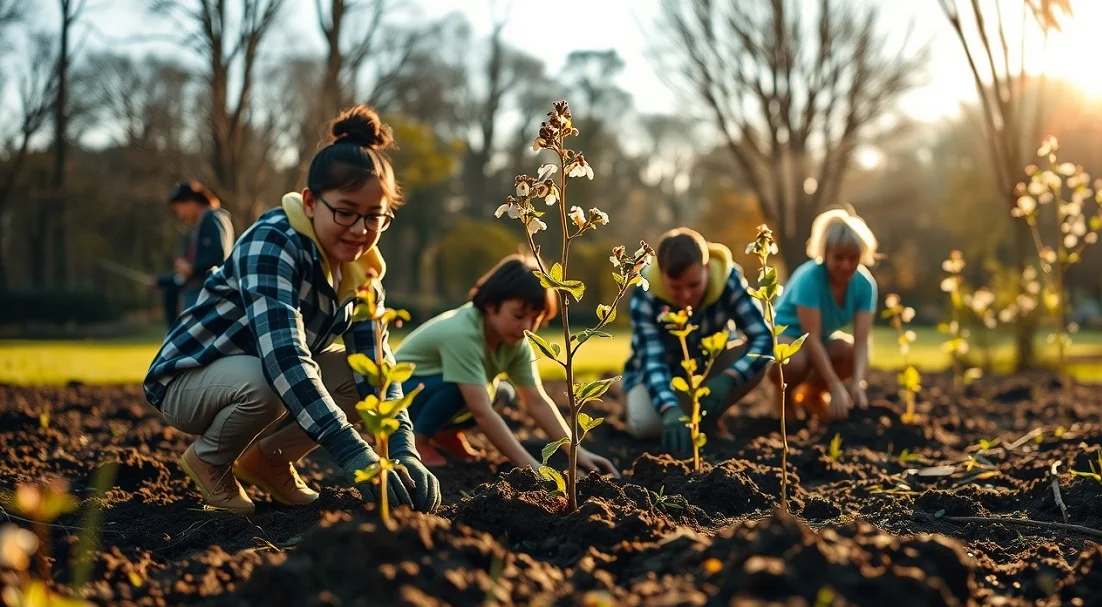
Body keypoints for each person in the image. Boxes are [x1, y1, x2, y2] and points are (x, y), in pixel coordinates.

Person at [142, 105, 439, 515]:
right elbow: (285, 357)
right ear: (311, 201)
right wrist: (354, 453)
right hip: (191, 377)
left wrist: (403, 447)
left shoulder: (362, 265)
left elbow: (375, 363)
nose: (360, 231)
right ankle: (209, 457)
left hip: (261, 374)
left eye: (375, 218)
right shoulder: (273, 241)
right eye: (345, 212)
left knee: (359, 375)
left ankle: (269, 459)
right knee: (267, 379)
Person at [393, 255, 619, 476]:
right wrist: (532, 467)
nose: (527, 326)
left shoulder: (516, 342)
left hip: (432, 392)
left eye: (536, 318)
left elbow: (537, 401)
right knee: (462, 389)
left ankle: (445, 433)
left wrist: (578, 453)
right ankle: (416, 440)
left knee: (502, 393)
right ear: (491, 305)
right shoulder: (462, 333)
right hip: (399, 396)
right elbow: (481, 412)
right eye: (519, 315)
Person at [622, 227, 773, 454]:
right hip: (659, 375)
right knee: (645, 425)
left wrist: (729, 379)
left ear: (707, 268)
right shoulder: (646, 291)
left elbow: (763, 337)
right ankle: (674, 415)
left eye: (693, 285)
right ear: (661, 274)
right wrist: (669, 408)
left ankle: (709, 419)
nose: (686, 296)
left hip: (710, 370)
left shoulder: (728, 280)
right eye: (676, 287)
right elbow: (652, 360)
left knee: (759, 358)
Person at [773, 208, 879, 422]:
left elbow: (862, 340)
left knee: (848, 351)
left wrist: (857, 382)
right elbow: (810, 337)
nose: (846, 265)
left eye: (853, 258)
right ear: (825, 253)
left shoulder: (865, 285)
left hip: (819, 339)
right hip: (785, 338)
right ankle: (782, 397)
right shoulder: (809, 278)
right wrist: (834, 384)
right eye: (838, 257)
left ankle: (811, 395)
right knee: (795, 360)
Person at [160, 181, 235, 314]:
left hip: (208, 294)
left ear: (191, 202)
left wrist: (191, 268)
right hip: (201, 293)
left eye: (179, 208)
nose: (180, 215)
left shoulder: (212, 218)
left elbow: (219, 254)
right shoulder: (201, 223)